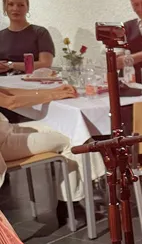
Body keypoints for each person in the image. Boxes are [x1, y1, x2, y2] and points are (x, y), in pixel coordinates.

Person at [0, 83, 88, 222]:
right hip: (3, 144)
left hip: (6, 129)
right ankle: (70, 203)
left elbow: (8, 91)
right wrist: (53, 95)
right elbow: (11, 101)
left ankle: (90, 185)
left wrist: (51, 91)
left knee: (68, 128)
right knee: (72, 139)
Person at [0, 0, 55, 74]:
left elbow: (45, 64)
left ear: (27, 8)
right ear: (5, 8)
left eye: (21, 5)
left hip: (31, 81)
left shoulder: (40, 33)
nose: (15, 8)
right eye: (10, 4)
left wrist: (11, 65)